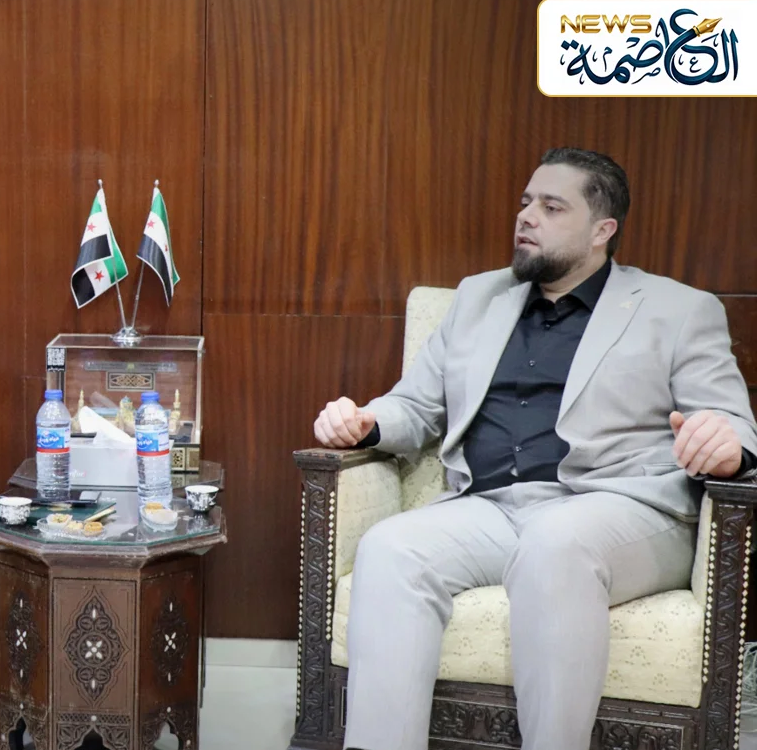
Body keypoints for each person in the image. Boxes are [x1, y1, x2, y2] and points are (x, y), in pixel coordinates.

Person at [313, 147, 757, 750]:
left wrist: (724, 444)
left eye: (552, 207)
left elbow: (733, 422)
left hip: (621, 512)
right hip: (491, 507)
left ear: (602, 231)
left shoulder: (678, 310)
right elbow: (414, 406)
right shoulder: (477, 297)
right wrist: (363, 422)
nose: (526, 217)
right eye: (526, 202)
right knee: (390, 548)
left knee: (555, 543)